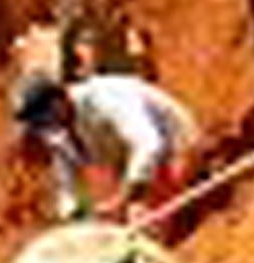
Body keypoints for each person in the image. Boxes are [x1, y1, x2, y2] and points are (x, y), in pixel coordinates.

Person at [12, 65, 200, 228]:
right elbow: (66, 181)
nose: (44, 127)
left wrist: (126, 198)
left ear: (57, 101)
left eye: (43, 119)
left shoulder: (104, 98)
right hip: (131, 164)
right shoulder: (58, 129)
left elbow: (149, 144)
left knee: (142, 222)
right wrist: (75, 214)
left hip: (173, 145)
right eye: (37, 124)